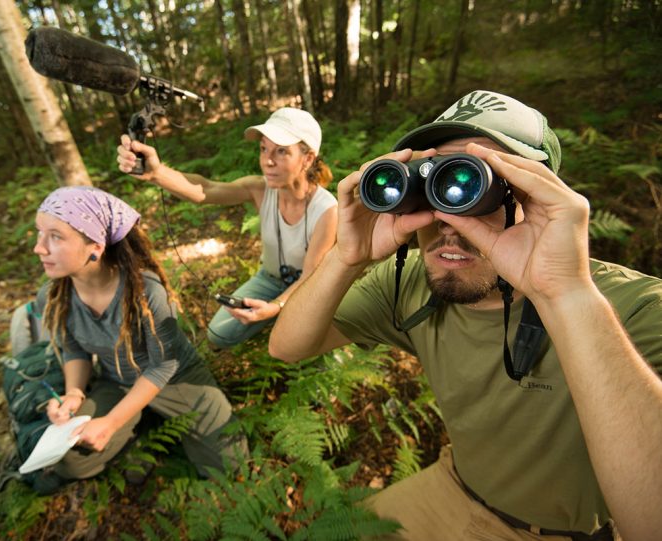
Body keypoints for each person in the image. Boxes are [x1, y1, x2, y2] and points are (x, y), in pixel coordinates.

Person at [268, 90, 662, 540]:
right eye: (432, 186)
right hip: (454, 485)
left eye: (473, 186)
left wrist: (566, 296)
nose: (448, 223)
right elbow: (287, 347)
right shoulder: (413, 281)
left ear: (539, 201)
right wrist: (345, 257)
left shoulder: (634, 309)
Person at [31, 185, 248, 492]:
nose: (39, 248)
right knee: (71, 460)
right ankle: (141, 423)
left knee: (231, 466)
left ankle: (140, 422)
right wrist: (74, 394)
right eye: (39, 234)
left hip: (176, 380)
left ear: (95, 245)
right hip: (117, 381)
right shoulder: (53, 296)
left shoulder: (146, 292)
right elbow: (74, 347)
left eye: (55, 236)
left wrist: (111, 423)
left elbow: (162, 366)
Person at [117, 107, 338, 349]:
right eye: (263, 148)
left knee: (302, 344)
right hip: (270, 278)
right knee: (218, 334)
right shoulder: (260, 189)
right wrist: (157, 173)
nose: (268, 160)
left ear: (308, 159)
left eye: (282, 151)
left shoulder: (326, 209)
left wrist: (276, 307)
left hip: (312, 284)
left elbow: (311, 276)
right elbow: (207, 189)